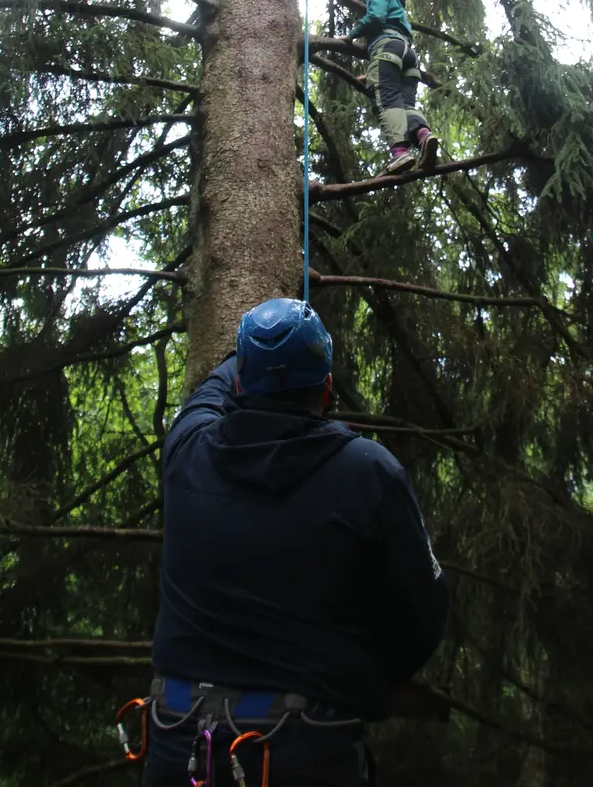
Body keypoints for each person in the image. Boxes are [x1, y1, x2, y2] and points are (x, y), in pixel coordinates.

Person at [141, 298, 449, 787]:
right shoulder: (369, 470)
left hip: (178, 744)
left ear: (241, 382)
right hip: (306, 747)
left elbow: (206, 395)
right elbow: (424, 614)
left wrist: (249, 351)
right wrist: (359, 675)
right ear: (327, 388)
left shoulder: (187, 451)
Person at [340, 0, 439, 176]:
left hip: (387, 49)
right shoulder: (400, 7)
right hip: (408, 56)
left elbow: (375, 17)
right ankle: (423, 135)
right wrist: (373, 73)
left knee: (386, 98)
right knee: (406, 104)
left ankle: (400, 152)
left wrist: (351, 35)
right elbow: (392, 65)